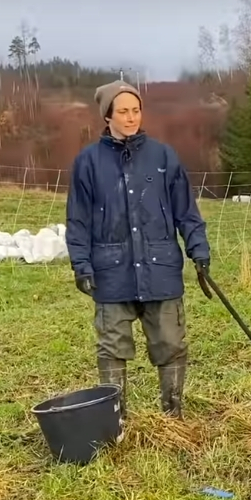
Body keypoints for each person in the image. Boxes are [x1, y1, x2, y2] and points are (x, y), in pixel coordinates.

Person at [65, 79, 211, 419]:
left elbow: (185, 210)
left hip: (160, 267)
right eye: (123, 111)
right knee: (112, 347)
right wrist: (81, 264)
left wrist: (198, 249)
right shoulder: (88, 162)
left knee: (171, 344)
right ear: (107, 116)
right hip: (110, 271)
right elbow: (78, 220)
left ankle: (172, 415)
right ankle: (117, 419)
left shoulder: (163, 156)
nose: (131, 118)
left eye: (136, 110)